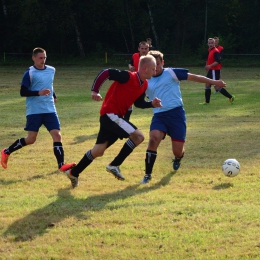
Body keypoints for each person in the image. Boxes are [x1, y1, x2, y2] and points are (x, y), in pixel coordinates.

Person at [60, 55, 162, 188]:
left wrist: (152, 104)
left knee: (98, 151)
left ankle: (73, 172)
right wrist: (95, 91)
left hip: (114, 118)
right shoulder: (128, 76)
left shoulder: (145, 84)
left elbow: (139, 103)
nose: (155, 72)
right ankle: (114, 165)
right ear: (145, 68)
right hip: (110, 115)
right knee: (138, 136)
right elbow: (106, 73)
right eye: (153, 69)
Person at [139, 50, 227, 184]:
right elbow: (137, 98)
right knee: (153, 139)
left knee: (177, 151)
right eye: (153, 65)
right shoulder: (145, 79)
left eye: (157, 64)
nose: (155, 68)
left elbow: (194, 77)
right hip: (159, 115)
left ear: (162, 63)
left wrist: (214, 81)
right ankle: (147, 174)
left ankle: (178, 157)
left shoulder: (171, 73)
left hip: (176, 115)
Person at [1, 47, 75, 171]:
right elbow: (22, 92)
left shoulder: (51, 70)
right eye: (40, 58)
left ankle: (61, 165)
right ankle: (6, 151)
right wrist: (38, 93)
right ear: (33, 58)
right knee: (31, 139)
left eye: (44, 57)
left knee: (57, 135)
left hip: (50, 109)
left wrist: (53, 95)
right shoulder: (29, 72)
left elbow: (49, 84)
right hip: (34, 110)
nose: (43, 60)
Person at [199, 38, 234, 105]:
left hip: (215, 71)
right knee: (207, 84)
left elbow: (218, 61)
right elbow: (208, 59)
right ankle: (207, 102)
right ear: (207, 44)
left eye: (212, 43)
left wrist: (210, 66)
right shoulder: (209, 50)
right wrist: (207, 66)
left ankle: (231, 97)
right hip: (211, 71)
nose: (210, 44)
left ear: (214, 44)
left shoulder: (216, 51)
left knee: (217, 87)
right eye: (209, 43)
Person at [126, 41, 150, 121]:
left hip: (148, 82)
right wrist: (131, 67)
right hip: (134, 82)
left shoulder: (151, 58)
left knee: (142, 102)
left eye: (146, 48)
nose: (144, 50)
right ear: (139, 49)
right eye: (142, 48)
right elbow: (130, 63)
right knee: (129, 100)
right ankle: (126, 121)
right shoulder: (135, 56)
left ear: (148, 49)